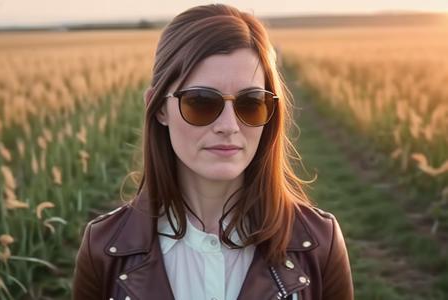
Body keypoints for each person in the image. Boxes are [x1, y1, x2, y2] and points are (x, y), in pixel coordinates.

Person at [72, 3, 354, 300]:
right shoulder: (102, 251)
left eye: (251, 103)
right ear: (158, 108)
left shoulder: (321, 244)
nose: (228, 126)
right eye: (201, 102)